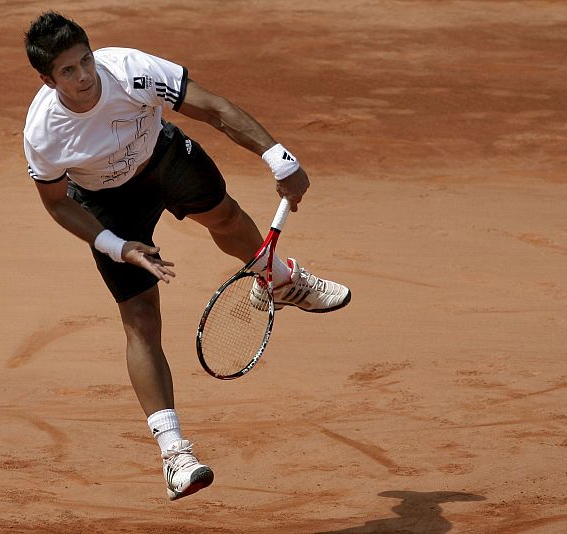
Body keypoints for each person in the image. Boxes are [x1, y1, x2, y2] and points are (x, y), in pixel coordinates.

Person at [22, 11, 351, 501]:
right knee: (140, 319)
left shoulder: (130, 69)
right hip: (107, 202)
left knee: (226, 218)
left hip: (163, 158)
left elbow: (213, 108)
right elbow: (56, 202)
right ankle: (175, 454)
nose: (84, 75)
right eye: (67, 71)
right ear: (48, 80)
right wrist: (117, 245)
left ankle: (279, 281)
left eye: (85, 60)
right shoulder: (44, 132)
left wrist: (279, 156)